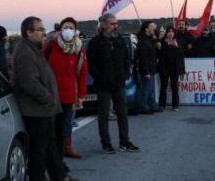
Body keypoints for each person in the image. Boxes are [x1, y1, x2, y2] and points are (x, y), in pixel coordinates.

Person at [12, 16, 76, 181]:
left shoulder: (33, 49)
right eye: (40, 30)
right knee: (39, 151)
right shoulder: (25, 52)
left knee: (49, 148)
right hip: (36, 111)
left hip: (44, 110)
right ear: (28, 32)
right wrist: (48, 98)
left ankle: (59, 176)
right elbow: (29, 83)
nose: (44, 33)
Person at [87, 13, 140, 153]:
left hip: (119, 83)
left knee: (122, 113)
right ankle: (106, 143)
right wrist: (100, 78)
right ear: (104, 25)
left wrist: (125, 75)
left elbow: (128, 59)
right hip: (103, 85)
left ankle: (125, 142)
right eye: (112, 23)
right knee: (104, 115)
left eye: (116, 23)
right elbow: (91, 64)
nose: (115, 26)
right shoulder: (95, 42)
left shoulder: (121, 40)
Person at [44, 17, 87, 163]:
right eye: (65, 27)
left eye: (71, 27)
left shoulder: (79, 48)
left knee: (63, 129)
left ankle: (60, 161)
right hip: (50, 95)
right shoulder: (51, 45)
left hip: (68, 95)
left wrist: (81, 95)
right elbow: (41, 65)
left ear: (75, 31)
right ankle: (53, 162)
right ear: (60, 29)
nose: (68, 30)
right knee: (52, 130)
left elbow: (82, 73)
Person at [158, 26, 185, 111]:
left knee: (174, 87)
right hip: (164, 68)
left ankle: (175, 105)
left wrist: (182, 70)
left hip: (175, 68)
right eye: (169, 32)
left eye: (172, 32)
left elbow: (181, 57)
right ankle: (162, 105)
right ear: (166, 33)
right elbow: (158, 53)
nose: (170, 33)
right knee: (163, 87)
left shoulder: (178, 43)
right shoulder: (162, 42)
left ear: (174, 33)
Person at [136, 21, 161, 114]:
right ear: (146, 29)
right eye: (151, 26)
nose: (153, 28)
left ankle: (153, 106)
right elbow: (143, 58)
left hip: (151, 69)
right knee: (146, 89)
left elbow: (156, 36)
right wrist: (146, 71)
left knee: (151, 89)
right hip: (147, 70)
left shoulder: (149, 39)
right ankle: (144, 107)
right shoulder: (143, 41)